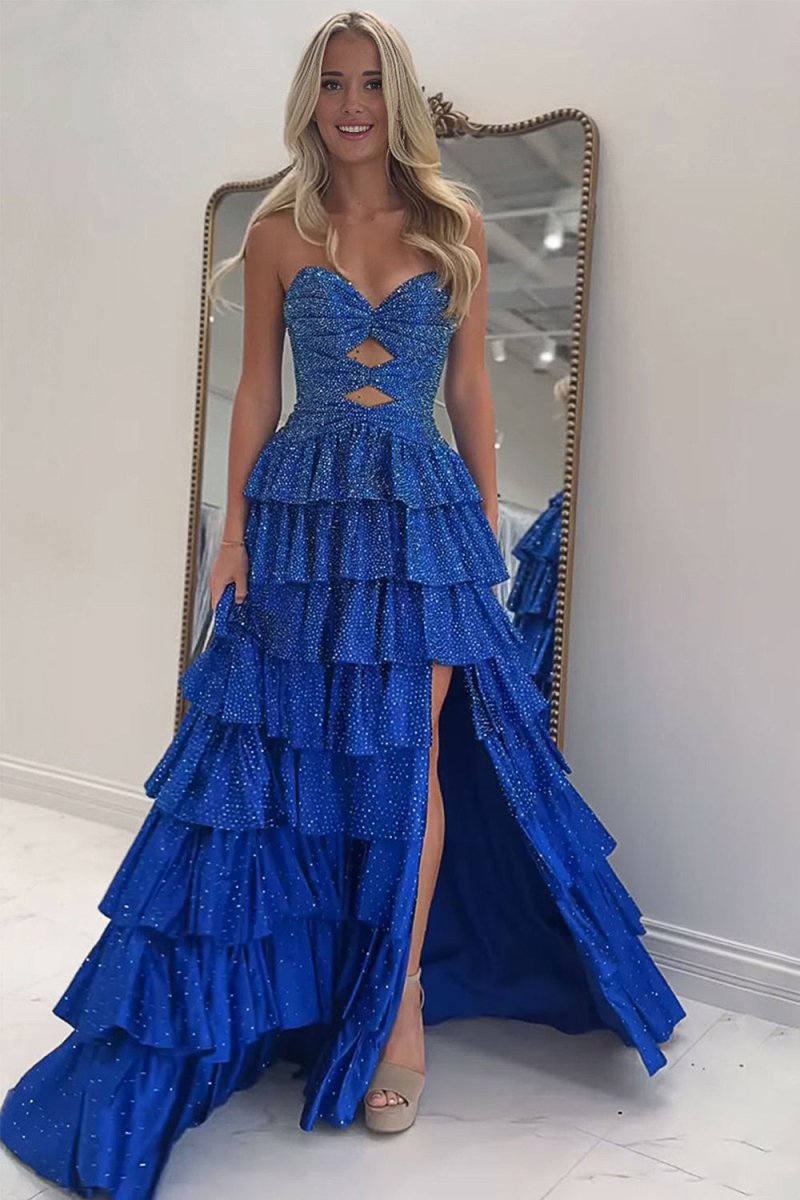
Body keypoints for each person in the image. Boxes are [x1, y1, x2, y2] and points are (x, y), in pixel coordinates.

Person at [0, 9, 686, 1195]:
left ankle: (399, 1000)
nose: (352, 104)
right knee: (295, 759)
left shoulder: (453, 226)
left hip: (417, 519)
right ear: (309, 100)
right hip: (300, 513)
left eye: (370, 82)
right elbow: (255, 391)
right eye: (332, 84)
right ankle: (303, 985)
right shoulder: (278, 232)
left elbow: (468, 390)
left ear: (396, 96)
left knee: (406, 761)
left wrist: (477, 526)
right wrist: (231, 534)